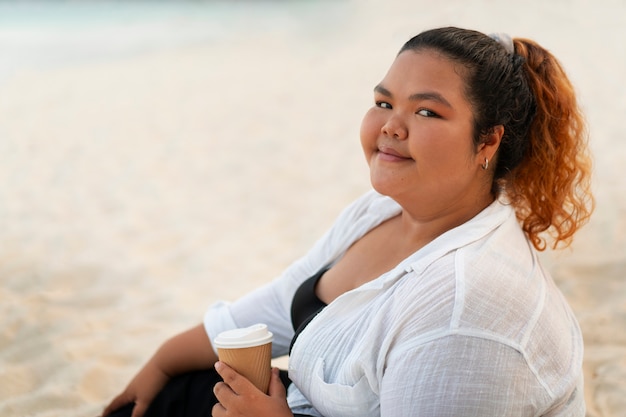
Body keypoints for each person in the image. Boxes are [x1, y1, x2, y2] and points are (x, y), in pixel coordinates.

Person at [102, 26, 593, 417]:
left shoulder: (468, 310)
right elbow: (276, 304)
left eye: (426, 111)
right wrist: (160, 362)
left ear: (487, 142)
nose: (390, 127)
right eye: (384, 103)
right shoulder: (380, 211)